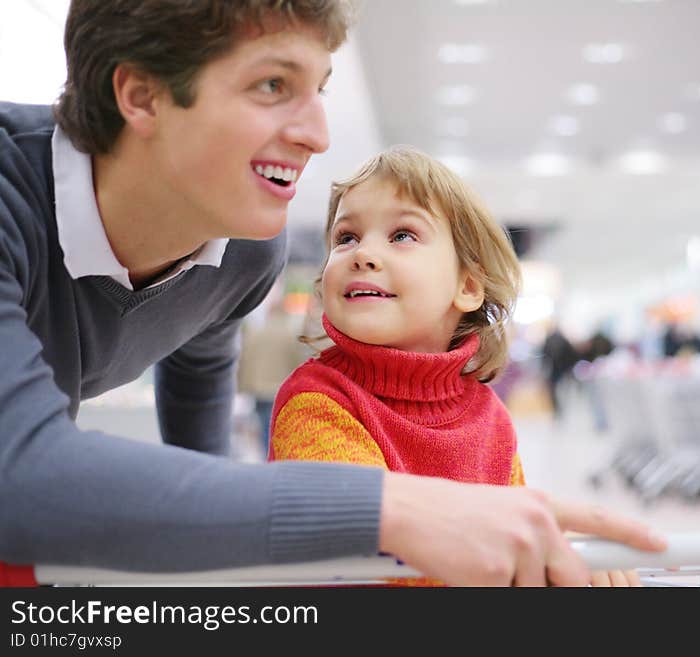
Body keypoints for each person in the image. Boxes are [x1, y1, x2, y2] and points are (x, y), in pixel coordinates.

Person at [0, 0, 665, 586]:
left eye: (319, 88)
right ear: (141, 96)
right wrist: (394, 510)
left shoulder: (241, 252)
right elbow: (18, 467)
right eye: (272, 84)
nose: (318, 135)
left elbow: (198, 411)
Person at [268, 147, 641, 586]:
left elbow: (510, 529)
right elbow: (366, 548)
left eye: (402, 235)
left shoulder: (489, 414)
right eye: (345, 237)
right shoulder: (317, 403)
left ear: (466, 286)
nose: (362, 254)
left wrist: (555, 547)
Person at [237, 278, 310, 456]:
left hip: (260, 389)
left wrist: (242, 386)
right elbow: (297, 360)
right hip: (281, 388)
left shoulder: (256, 331)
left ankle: (266, 460)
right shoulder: (291, 332)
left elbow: (246, 359)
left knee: (264, 429)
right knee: (279, 429)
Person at [540, 323, 579, 419]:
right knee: (563, 390)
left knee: (553, 390)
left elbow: (544, 355)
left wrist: (543, 368)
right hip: (563, 369)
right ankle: (561, 408)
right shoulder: (565, 340)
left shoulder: (548, 339)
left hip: (553, 369)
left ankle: (557, 408)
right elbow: (572, 355)